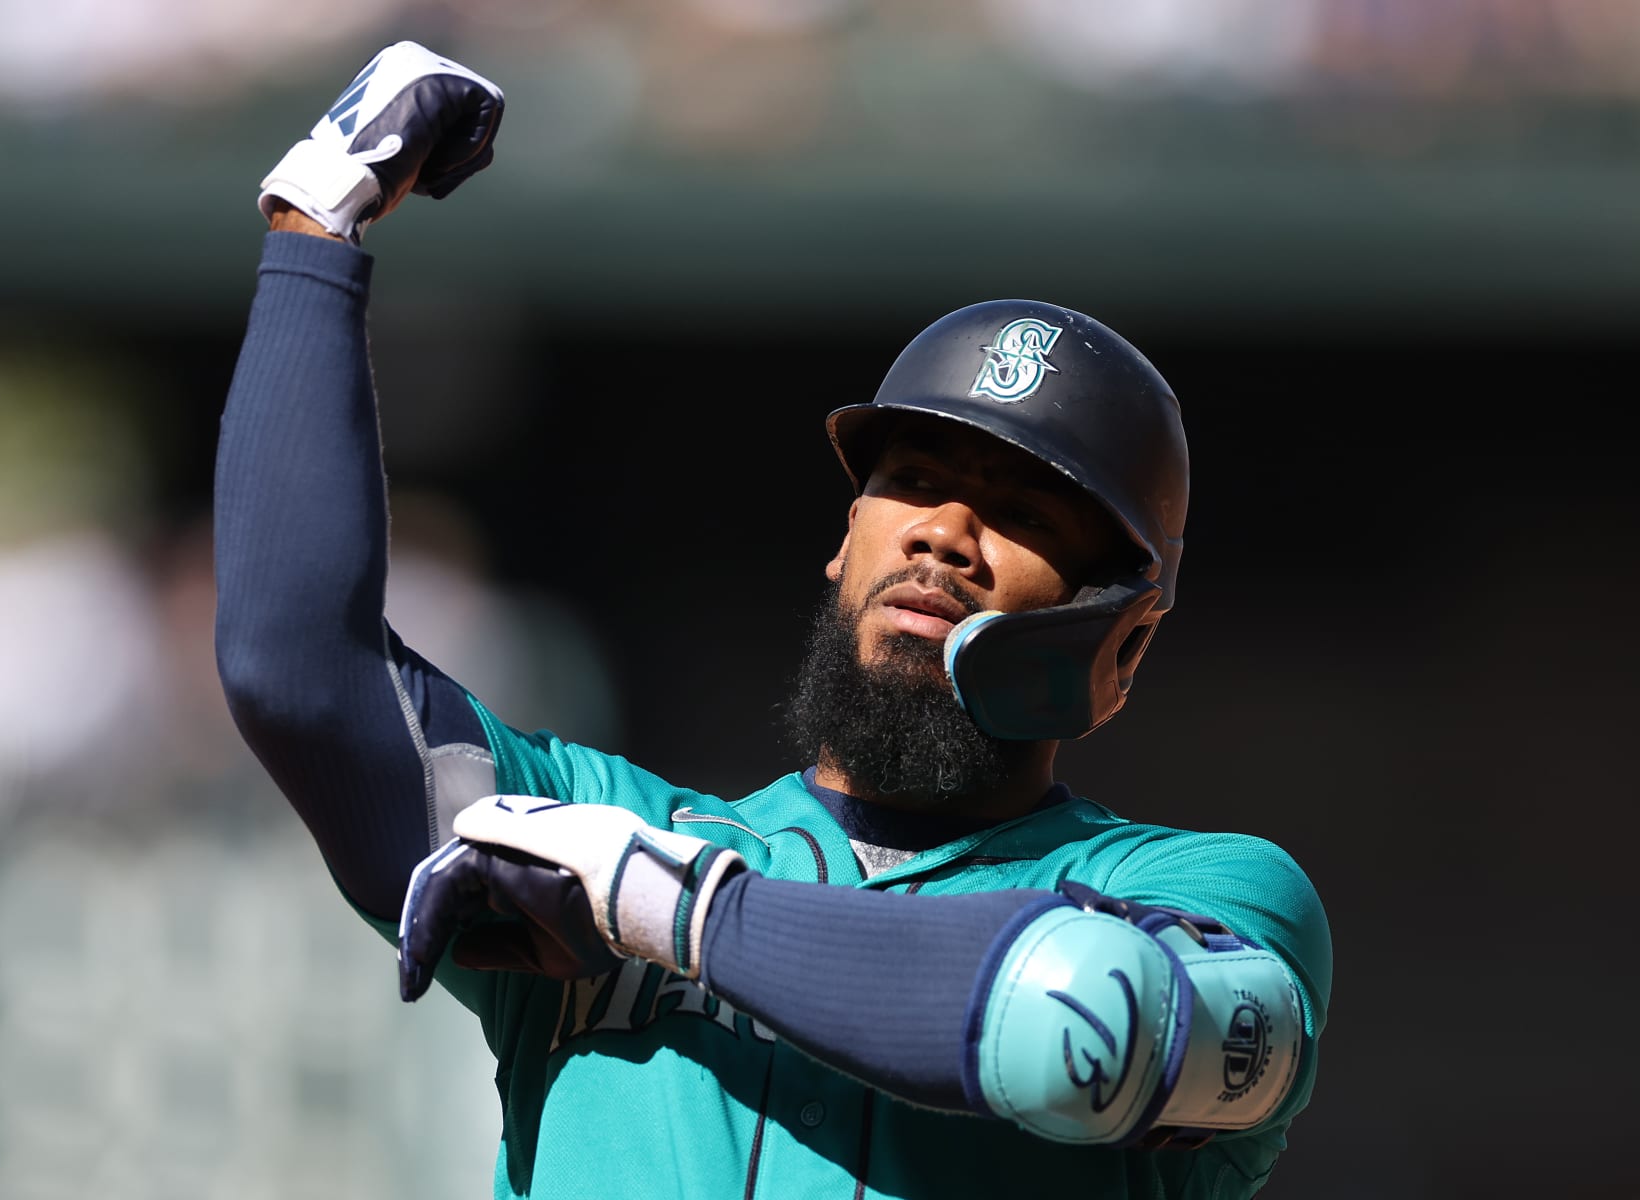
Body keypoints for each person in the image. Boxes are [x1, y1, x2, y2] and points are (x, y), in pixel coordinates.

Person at [214, 41, 1332, 1200]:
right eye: (912, 481)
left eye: (1024, 513)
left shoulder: (1211, 893)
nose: (944, 534)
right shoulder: (600, 829)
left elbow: (1074, 1022)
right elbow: (297, 671)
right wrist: (314, 229)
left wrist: (667, 906)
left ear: (1124, 640)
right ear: (845, 542)